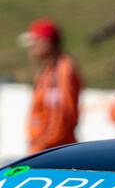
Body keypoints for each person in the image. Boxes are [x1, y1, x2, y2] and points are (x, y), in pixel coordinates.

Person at [21, 18, 82, 152]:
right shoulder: (47, 70)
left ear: (47, 42)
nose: (31, 47)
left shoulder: (64, 69)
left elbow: (65, 113)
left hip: (55, 149)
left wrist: (45, 143)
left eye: (35, 41)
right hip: (43, 146)